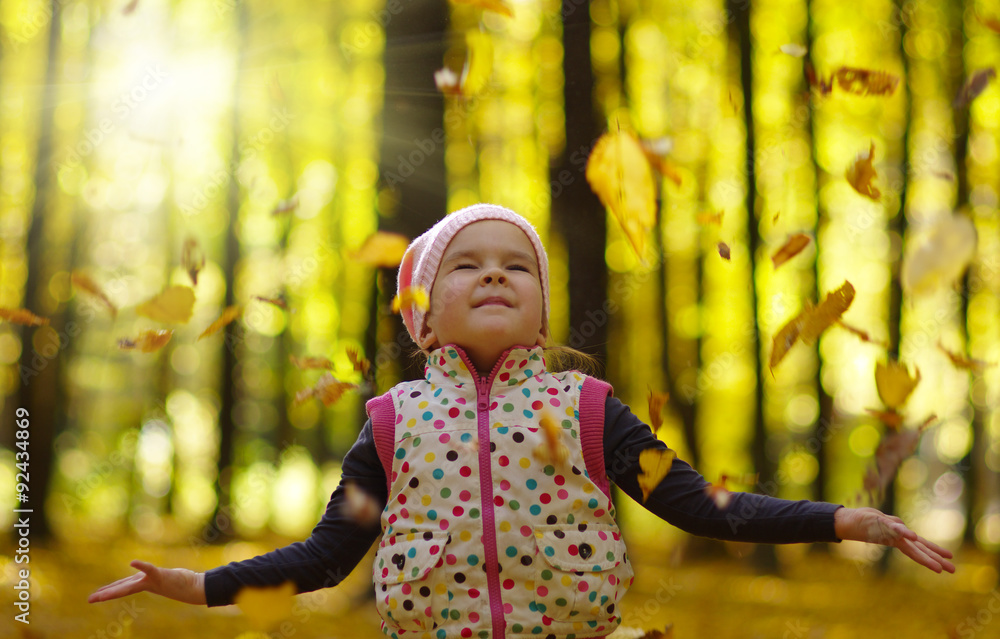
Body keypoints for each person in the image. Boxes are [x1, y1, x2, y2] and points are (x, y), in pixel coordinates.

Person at [89, 203, 955, 638]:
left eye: (517, 266)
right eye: (466, 265)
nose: (495, 274)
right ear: (421, 314)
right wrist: (197, 585)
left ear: (542, 314)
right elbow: (325, 555)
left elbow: (700, 505)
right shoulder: (391, 424)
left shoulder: (586, 410)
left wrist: (845, 519)